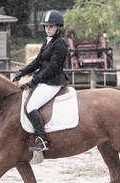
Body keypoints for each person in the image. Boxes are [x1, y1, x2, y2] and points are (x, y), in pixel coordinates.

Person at [13, 9, 69, 152]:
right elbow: (38, 61)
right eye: (46, 26)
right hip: (45, 80)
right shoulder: (48, 41)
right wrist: (22, 72)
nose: (48, 29)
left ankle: (43, 140)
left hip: (53, 81)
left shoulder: (60, 43)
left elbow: (52, 68)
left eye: (51, 26)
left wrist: (33, 81)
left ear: (58, 27)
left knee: (31, 106)